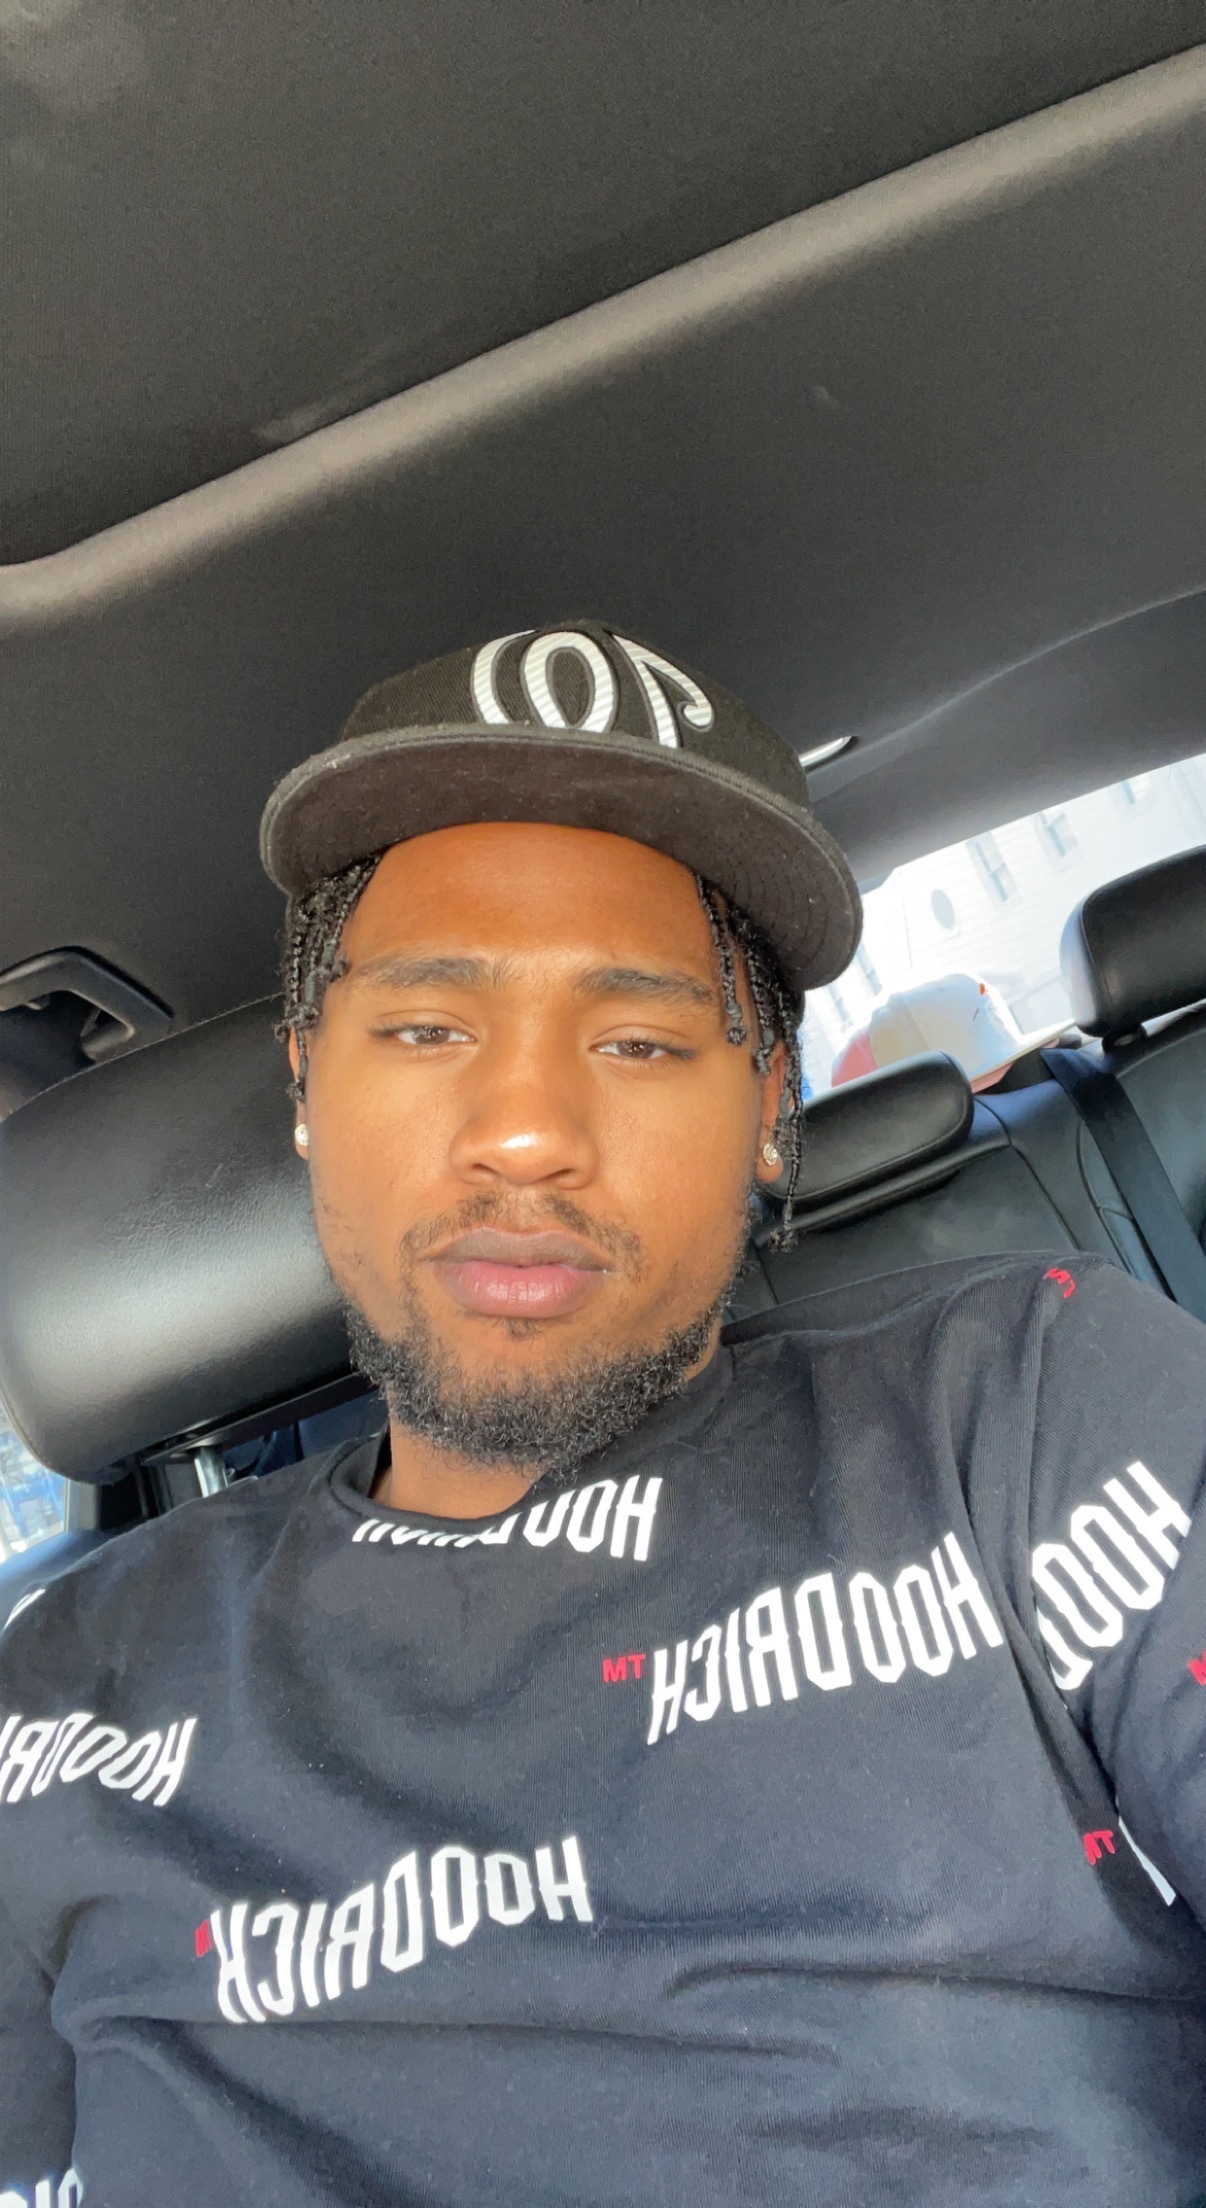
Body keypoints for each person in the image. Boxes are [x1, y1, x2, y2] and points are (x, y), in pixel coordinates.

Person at [1, 621, 1205, 2208]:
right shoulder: (62, 1698)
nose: (523, 1131)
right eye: (425, 1028)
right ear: (305, 1087)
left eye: (637, 1039)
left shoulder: (1034, 1404)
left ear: (767, 1108)